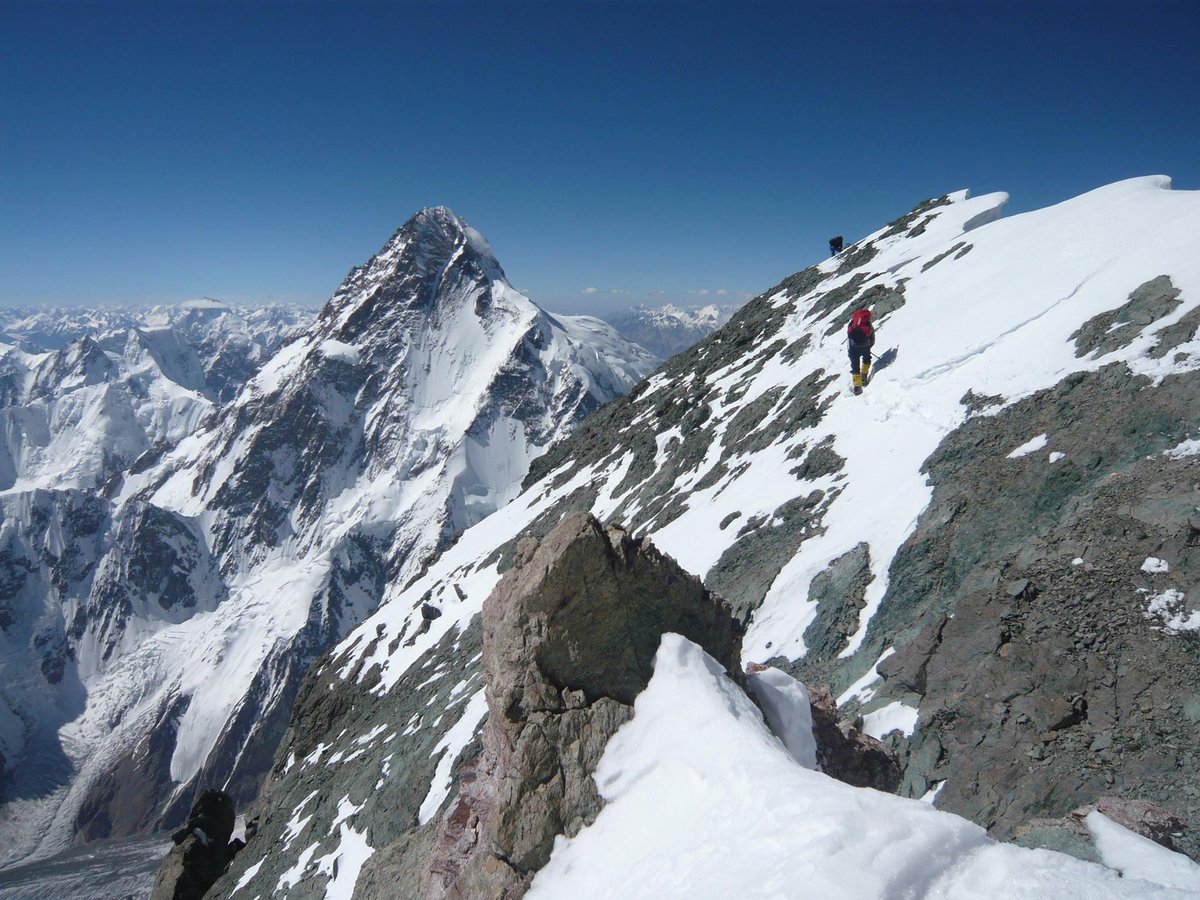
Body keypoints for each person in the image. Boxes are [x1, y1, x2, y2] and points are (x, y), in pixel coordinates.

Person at [847, 308, 875, 394]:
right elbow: (872, 338)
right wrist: (869, 346)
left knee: (855, 367)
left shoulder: (852, 323)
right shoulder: (867, 324)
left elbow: (849, 336)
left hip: (853, 348)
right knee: (866, 359)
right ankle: (864, 376)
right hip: (865, 346)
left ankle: (857, 386)